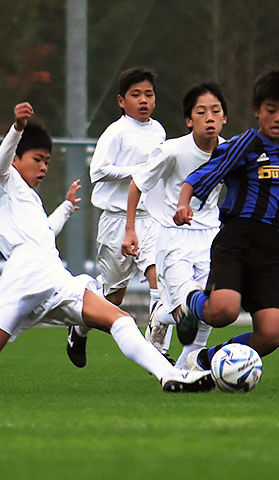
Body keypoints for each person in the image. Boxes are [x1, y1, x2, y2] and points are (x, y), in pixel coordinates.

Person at [0, 102, 214, 395]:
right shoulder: (3, 182)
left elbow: (43, 235)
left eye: (47, 163)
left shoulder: (29, 199)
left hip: (51, 274)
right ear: (18, 158)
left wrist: (66, 208)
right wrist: (16, 129)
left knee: (119, 320)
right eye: (38, 160)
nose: (43, 168)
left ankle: (170, 375)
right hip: (25, 276)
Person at [173, 69, 279, 371]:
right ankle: (189, 301)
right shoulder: (246, 144)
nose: (278, 118)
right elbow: (201, 175)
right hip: (237, 241)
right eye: (271, 111)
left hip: (271, 250)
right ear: (257, 111)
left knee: (271, 335)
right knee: (223, 312)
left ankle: (203, 359)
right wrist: (183, 203)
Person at [122, 82, 228, 368]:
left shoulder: (230, 153)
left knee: (212, 307)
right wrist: (130, 229)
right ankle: (163, 316)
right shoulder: (172, 151)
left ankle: (184, 369)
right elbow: (137, 185)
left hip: (212, 238)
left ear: (224, 118)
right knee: (187, 309)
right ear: (188, 119)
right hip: (175, 238)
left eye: (215, 111)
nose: (209, 117)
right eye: (201, 111)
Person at [70, 67, 166, 366]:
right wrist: (136, 173)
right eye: (135, 95)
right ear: (121, 101)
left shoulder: (159, 131)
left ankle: (157, 352)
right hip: (115, 219)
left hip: (149, 218)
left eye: (148, 94)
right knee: (113, 298)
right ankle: (79, 327)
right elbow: (97, 171)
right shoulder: (116, 132)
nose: (143, 100)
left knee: (160, 280)